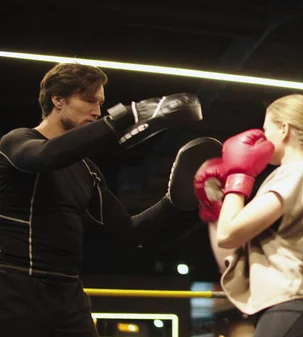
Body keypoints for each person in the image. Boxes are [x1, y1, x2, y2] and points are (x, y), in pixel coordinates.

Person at [0, 62, 206, 336]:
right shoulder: (17, 142)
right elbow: (43, 157)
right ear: (57, 99)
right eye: (88, 100)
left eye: (100, 103)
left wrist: (177, 202)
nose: (97, 111)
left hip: (68, 297)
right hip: (14, 289)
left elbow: (130, 233)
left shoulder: (87, 170)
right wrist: (127, 116)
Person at [194, 94, 303, 336]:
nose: (262, 138)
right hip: (301, 313)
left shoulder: (298, 172)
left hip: (289, 313)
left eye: (266, 129)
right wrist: (214, 206)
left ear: (284, 129)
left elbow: (228, 234)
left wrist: (238, 176)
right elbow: (230, 254)